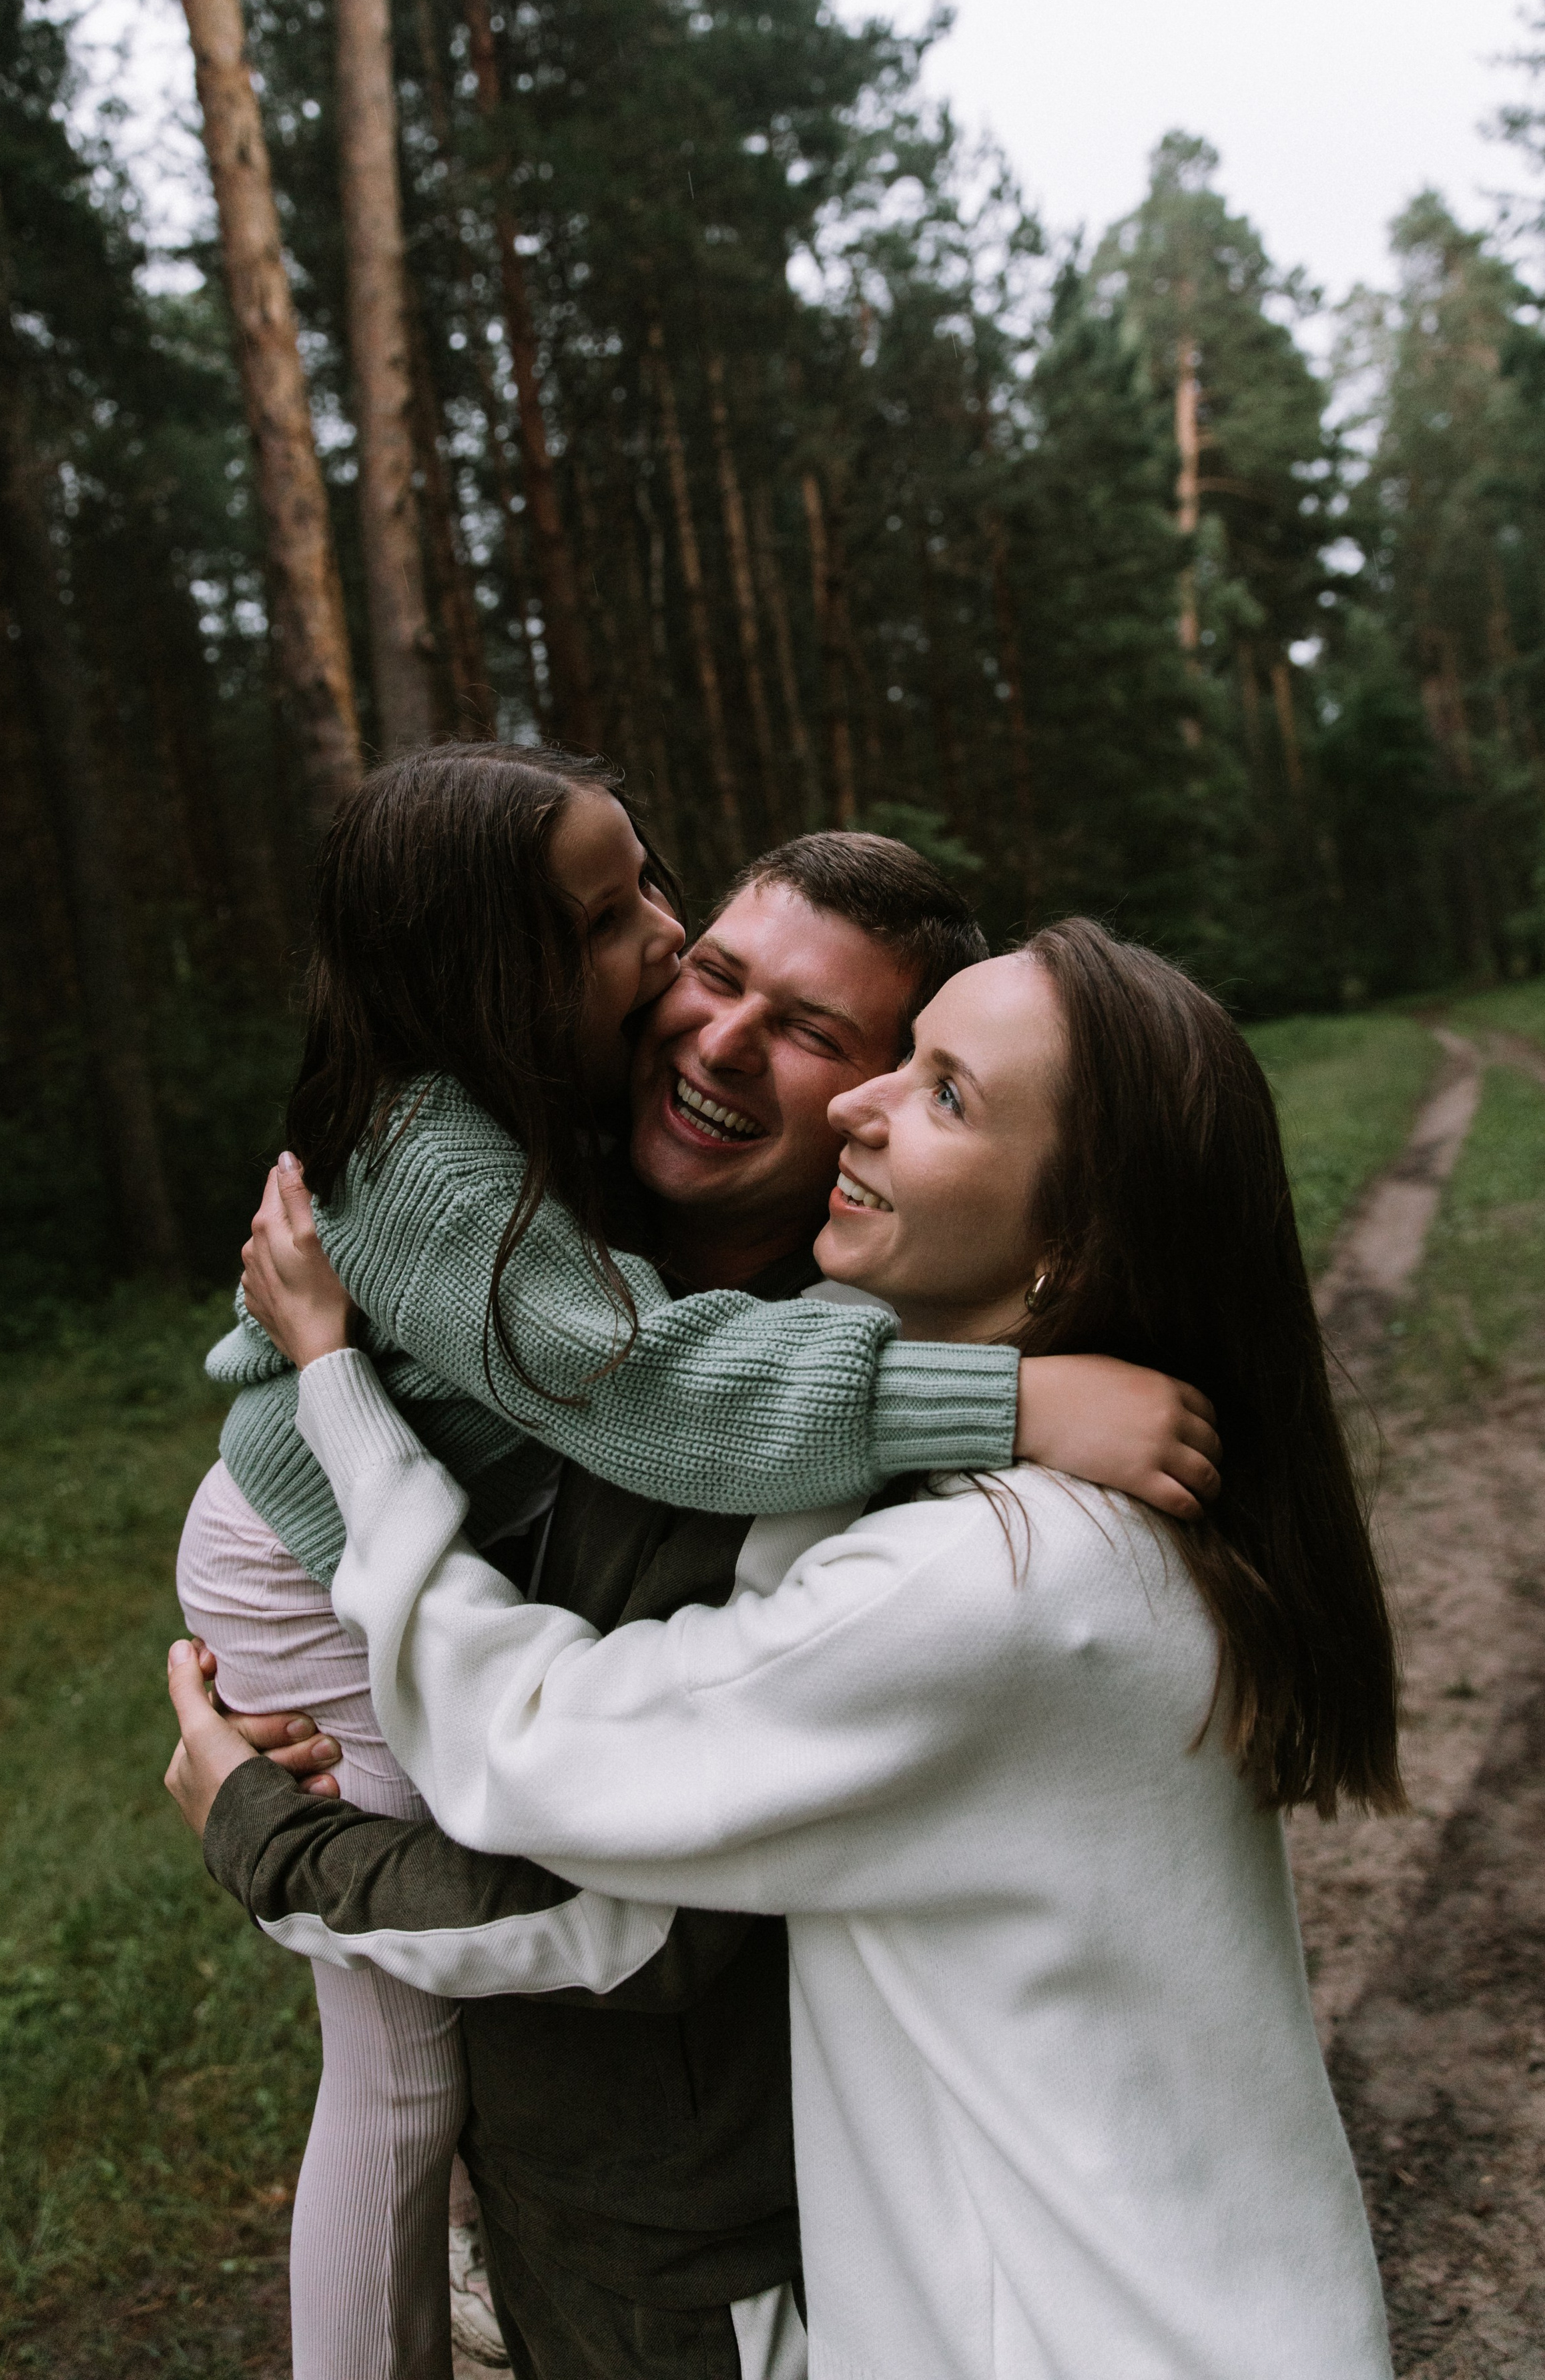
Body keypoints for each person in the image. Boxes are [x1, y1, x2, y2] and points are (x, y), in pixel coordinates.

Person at [170, 918, 1400, 2380]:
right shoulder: (1068, 1520)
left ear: (1067, 1247)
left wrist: (257, 1813)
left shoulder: (996, 1588)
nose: (852, 1105)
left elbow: (543, 1751)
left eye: (939, 1091)